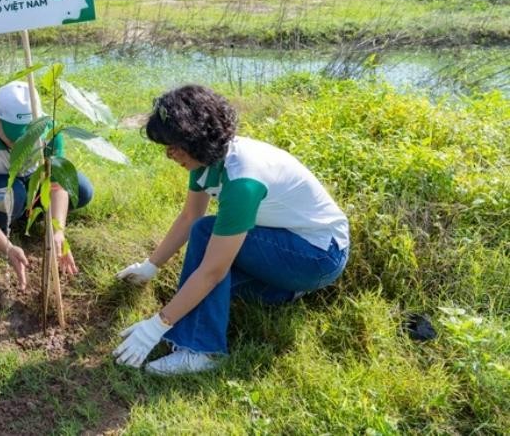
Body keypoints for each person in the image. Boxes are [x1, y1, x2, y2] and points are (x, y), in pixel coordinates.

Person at [113, 85, 349, 376]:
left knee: (206, 240)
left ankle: (202, 350)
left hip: (317, 256)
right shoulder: (207, 162)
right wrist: (151, 266)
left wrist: (158, 325)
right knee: (205, 270)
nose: (169, 155)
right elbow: (189, 215)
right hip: (290, 248)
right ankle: (283, 291)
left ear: (195, 139)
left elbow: (211, 270)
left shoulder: (243, 179)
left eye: (174, 145)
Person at [0, 81, 94, 289]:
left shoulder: (49, 130)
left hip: (33, 180)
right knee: (14, 196)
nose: (21, 144)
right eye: (14, 137)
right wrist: (8, 247)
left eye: (28, 136)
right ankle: (11, 219)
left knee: (81, 189)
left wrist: (58, 232)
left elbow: (57, 184)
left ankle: (27, 215)